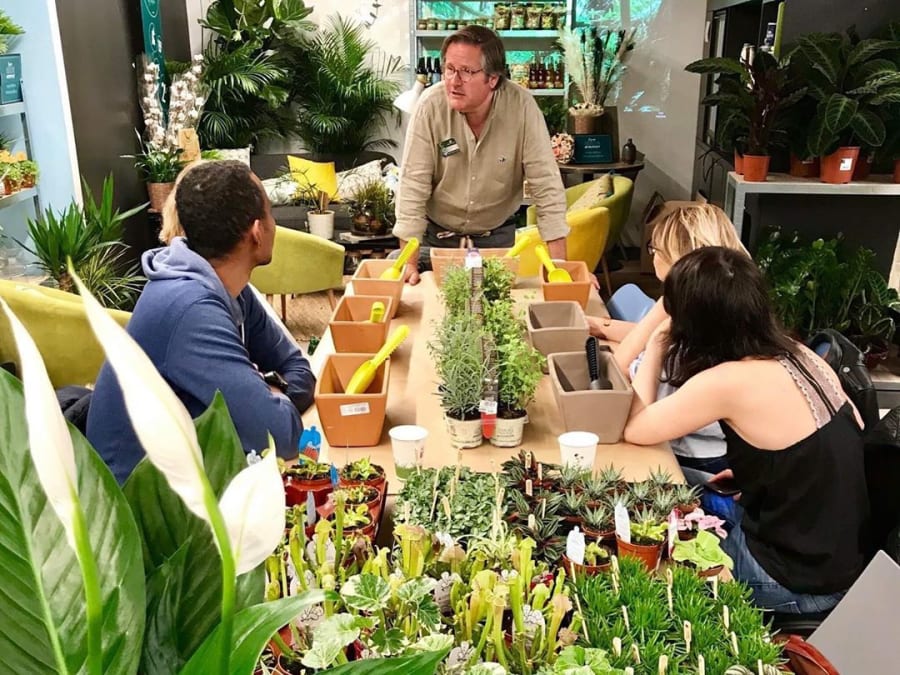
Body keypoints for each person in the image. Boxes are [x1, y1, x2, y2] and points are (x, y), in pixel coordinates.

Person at [624, 247, 869, 613]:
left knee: (645, 562)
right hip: (840, 562)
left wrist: (657, 344)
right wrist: (764, 473)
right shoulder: (801, 354)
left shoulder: (727, 381)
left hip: (793, 580)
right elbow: (840, 444)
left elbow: (636, 428)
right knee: (690, 494)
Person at [87, 161, 316, 483]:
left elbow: (298, 368)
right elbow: (278, 436)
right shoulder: (190, 309)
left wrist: (271, 393)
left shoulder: (230, 287)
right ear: (256, 231)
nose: (273, 223)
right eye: (270, 213)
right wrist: (268, 402)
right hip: (140, 508)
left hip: (192, 479)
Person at [393, 25, 569, 285]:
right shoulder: (430, 106)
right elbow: (412, 187)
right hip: (435, 243)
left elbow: (547, 188)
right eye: (450, 69)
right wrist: (409, 265)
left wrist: (559, 268)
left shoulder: (522, 108)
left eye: (466, 72)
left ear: (493, 79)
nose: (453, 81)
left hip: (496, 243)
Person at [594, 204, 746, 478]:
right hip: (710, 452)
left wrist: (654, 342)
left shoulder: (687, 333)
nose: (652, 257)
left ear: (678, 259)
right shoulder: (726, 310)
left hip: (686, 463)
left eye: (655, 249)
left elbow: (620, 377)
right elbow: (643, 334)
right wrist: (601, 325)